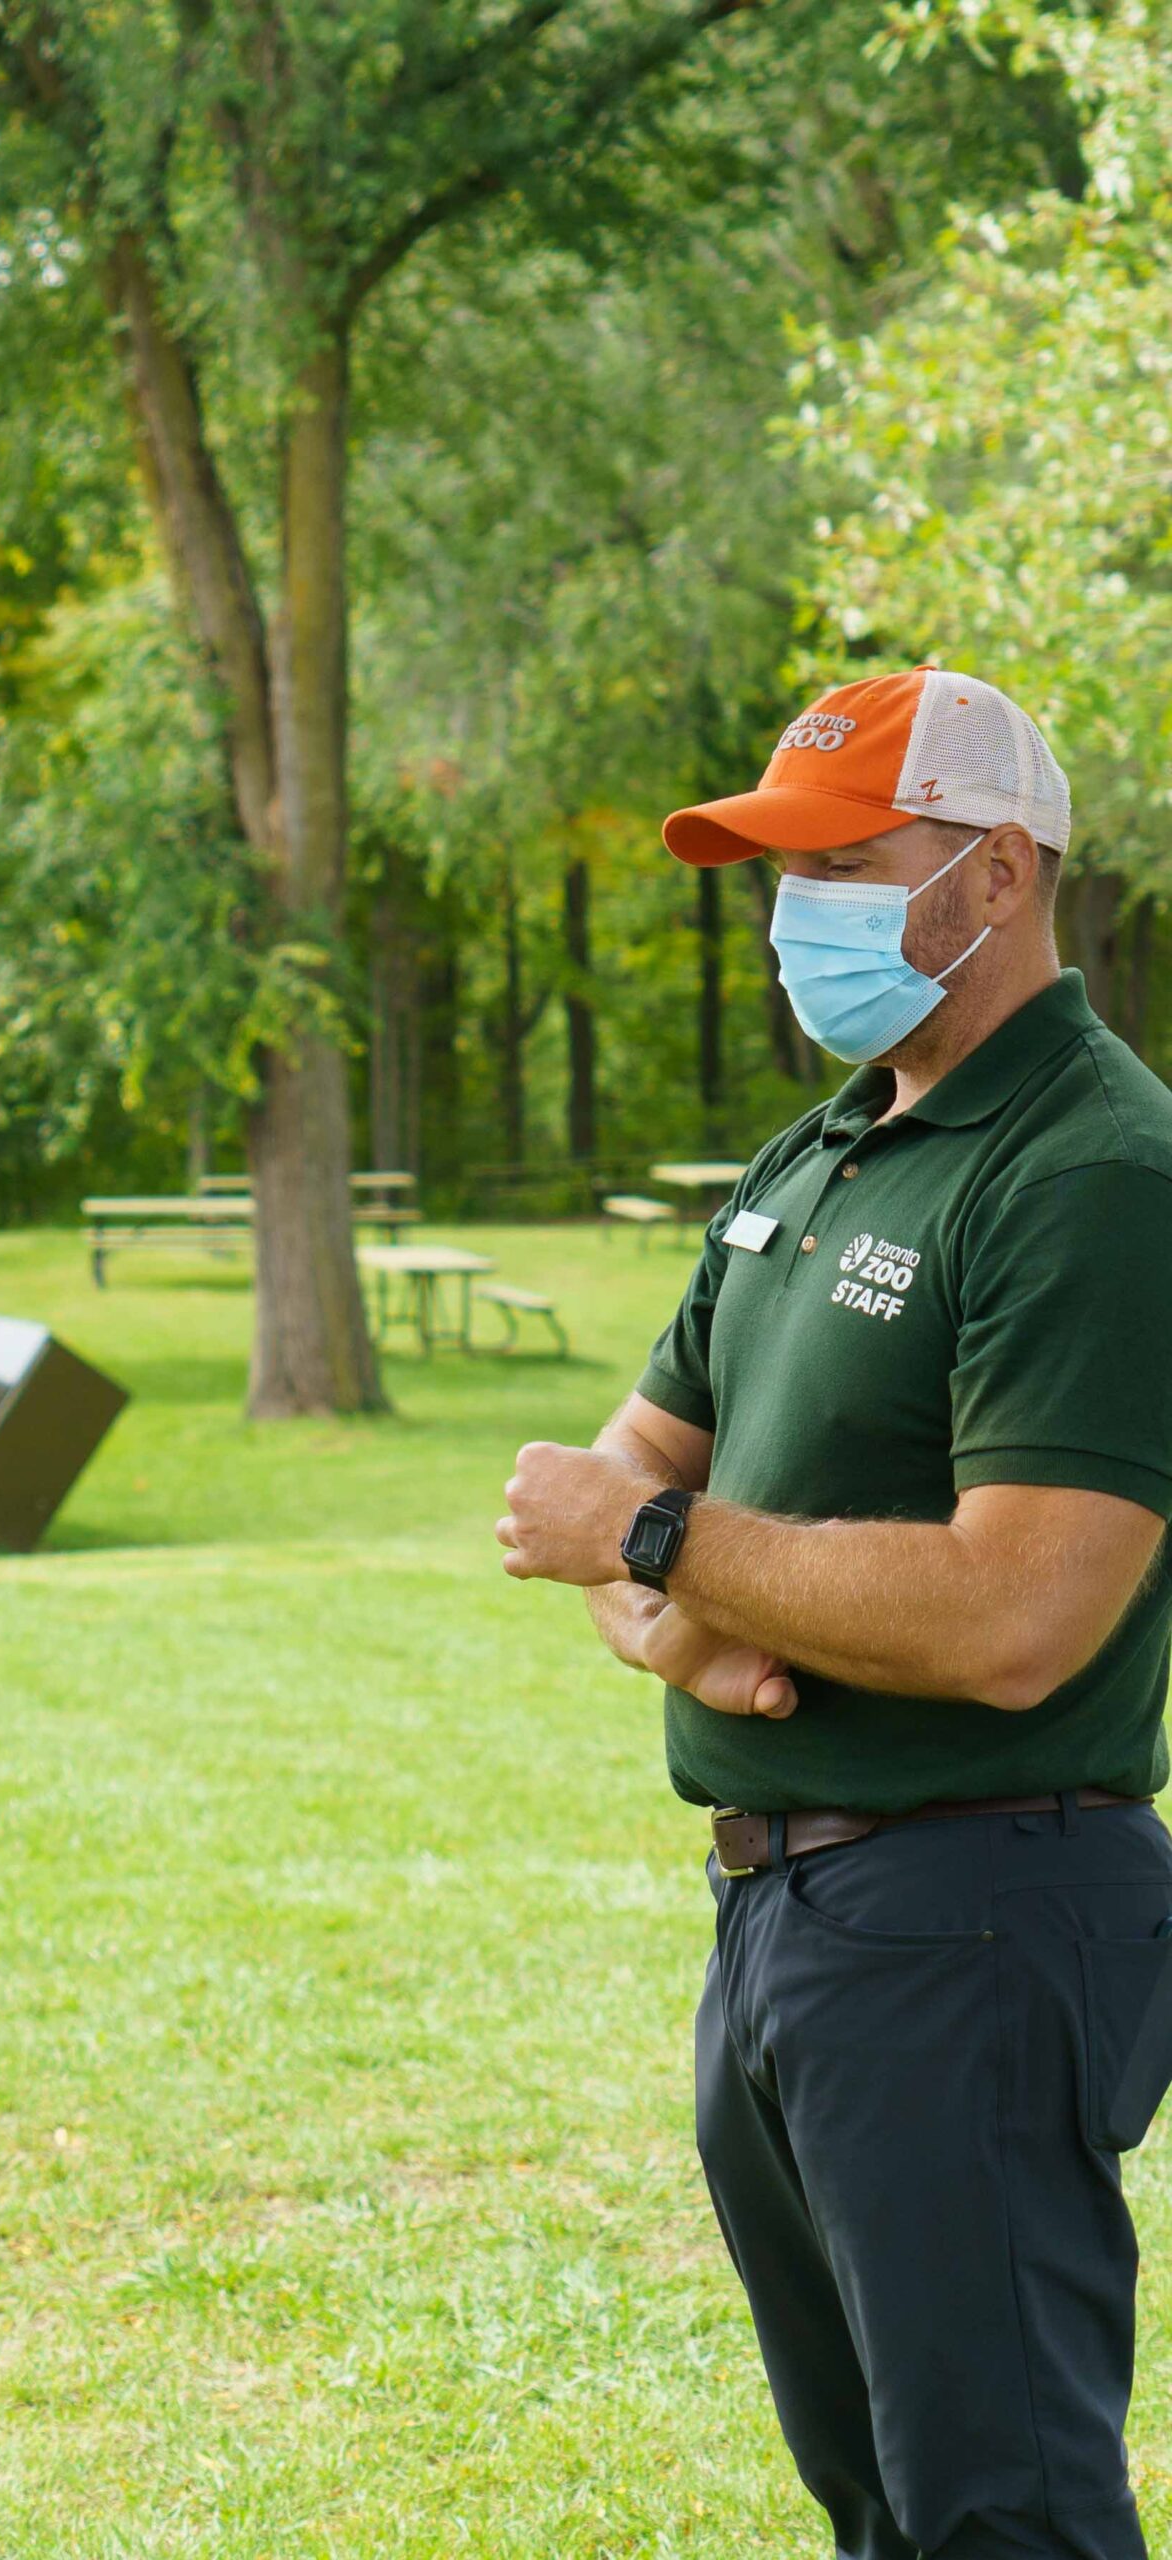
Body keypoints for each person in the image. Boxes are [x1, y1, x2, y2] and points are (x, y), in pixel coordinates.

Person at [497, 666, 1172, 2560]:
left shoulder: (1093, 1170)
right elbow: (598, 1494)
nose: (800, 914)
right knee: (879, 2495)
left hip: (978, 1915)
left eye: (848, 867)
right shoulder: (819, 1149)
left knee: (1001, 2509)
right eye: (785, 874)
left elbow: (1018, 1614)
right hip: (781, 1912)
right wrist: (680, 1600)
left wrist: (661, 1546)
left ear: (1001, 872)